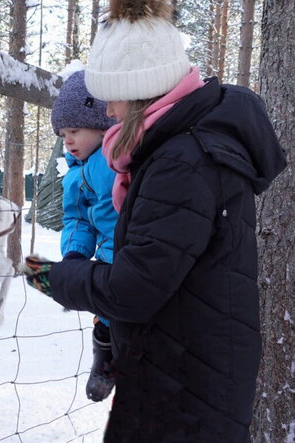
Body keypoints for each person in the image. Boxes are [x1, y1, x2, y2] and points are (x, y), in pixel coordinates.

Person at [22, 0, 287, 441]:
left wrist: (50, 276)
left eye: (114, 98)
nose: (108, 112)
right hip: (186, 365)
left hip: (186, 388)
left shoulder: (183, 163)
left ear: (143, 90)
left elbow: (132, 290)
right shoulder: (180, 149)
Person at [49, 69, 117, 402]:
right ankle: (104, 360)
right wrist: (75, 253)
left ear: (102, 122)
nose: (68, 141)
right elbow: (77, 217)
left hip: (143, 250)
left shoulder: (123, 154)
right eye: (63, 134)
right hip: (108, 257)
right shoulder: (77, 176)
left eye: (74, 130)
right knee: (106, 319)